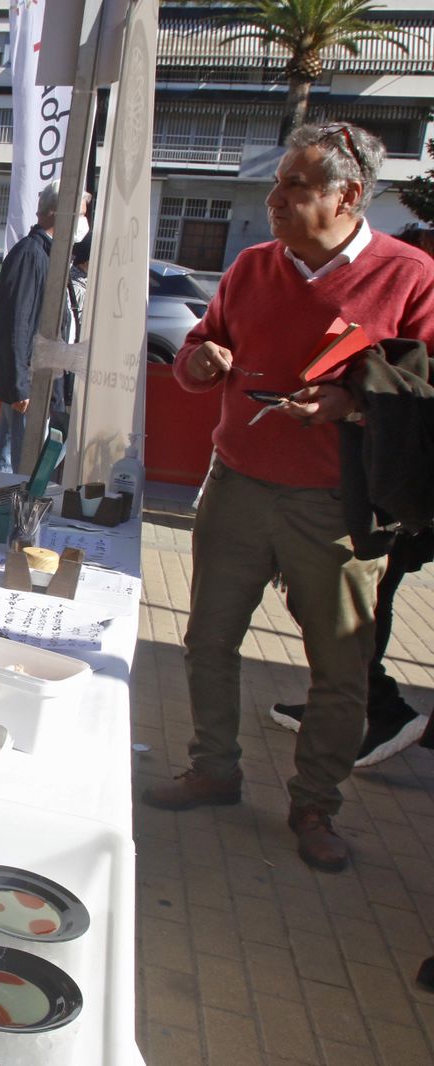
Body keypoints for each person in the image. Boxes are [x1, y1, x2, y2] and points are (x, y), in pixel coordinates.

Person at [140, 123, 434, 873]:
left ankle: (315, 806)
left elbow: (426, 391)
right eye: (276, 185)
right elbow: (200, 352)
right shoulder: (252, 266)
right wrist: (202, 361)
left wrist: (353, 404)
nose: (274, 201)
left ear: (349, 196)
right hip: (236, 480)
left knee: (339, 666)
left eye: (294, 188)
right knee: (208, 639)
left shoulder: (409, 276)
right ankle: (214, 769)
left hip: (335, 503)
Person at [269, 225, 434, 766]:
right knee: (329, 600)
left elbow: (410, 393)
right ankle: (338, 704)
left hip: (395, 486)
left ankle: (382, 710)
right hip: (367, 479)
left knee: (357, 607)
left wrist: (360, 393)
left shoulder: (415, 285)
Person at [0, 180, 88, 472]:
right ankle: (6, 510)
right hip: (30, 377)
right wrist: (19, 384)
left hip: (39, 375)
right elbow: (17, 320)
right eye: (81, 214)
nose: (84, 222)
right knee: (24, 462)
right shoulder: (32, 254)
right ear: (58, 213)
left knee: (6, 456)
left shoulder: (49, 255)